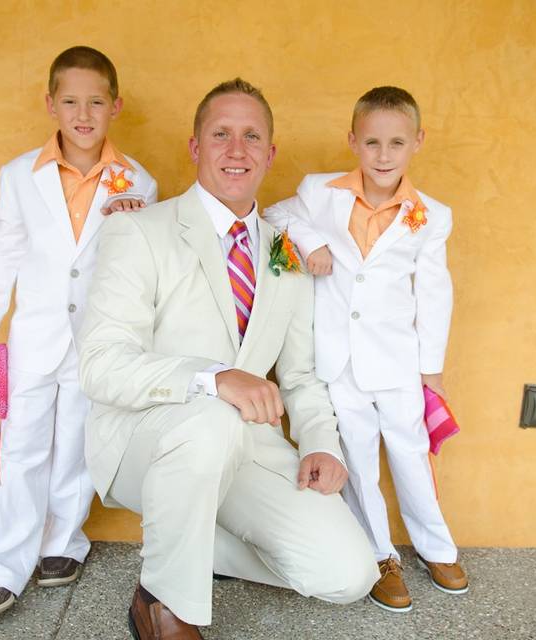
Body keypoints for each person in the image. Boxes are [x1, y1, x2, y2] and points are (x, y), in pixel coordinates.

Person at [77, 78, 379, 639]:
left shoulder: (283, 254)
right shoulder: (138, 230)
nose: (236, 150)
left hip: (245, 447)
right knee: (213, 415)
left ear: (271, 153)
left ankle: (185, 542)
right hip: (145, 440)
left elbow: (300, 375)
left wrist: (318, 441)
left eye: (251, 136)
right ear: (195, 146)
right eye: (220, 134)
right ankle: (166, 605)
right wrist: (215, 377)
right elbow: (99, 364)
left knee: (347, 574)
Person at [0, 46, 157, 623]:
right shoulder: (18, 175)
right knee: (18, 446)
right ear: (50, 104)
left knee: (76, 441)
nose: (83, 114)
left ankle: (60, 543)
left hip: (97, 338)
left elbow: (138, 266)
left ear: (115, 106)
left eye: (96, 102)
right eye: (70, 101)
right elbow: (5, 253)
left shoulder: (139, 181)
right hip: (33, 336)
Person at [263, 86, 468, 613]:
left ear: (417, 142)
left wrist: (431, 371)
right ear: (352, 140)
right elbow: (278, 216)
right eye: (372, 142)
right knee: (356, 457)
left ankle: (435, 547)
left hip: (398, 360)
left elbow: (436, 293)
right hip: (337, 360)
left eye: (396, 143)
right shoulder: (318, 190)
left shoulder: (432, 216)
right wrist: (313, 243)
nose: (383, 155)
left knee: (410, 453)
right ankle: (380, 555)